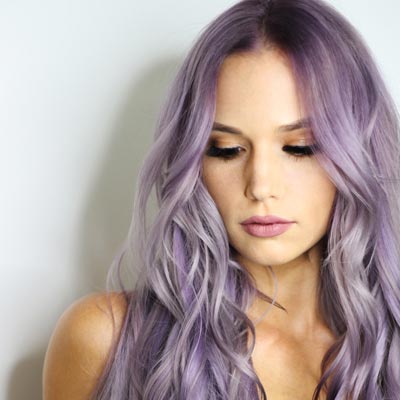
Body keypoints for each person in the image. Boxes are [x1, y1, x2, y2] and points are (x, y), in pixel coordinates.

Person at [42, 0, 400, 399]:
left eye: (300, 147)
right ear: (193, 161)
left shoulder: (391, 352)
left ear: (359, 154)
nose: (260, 186)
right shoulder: (106, 342)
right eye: (226, 150)